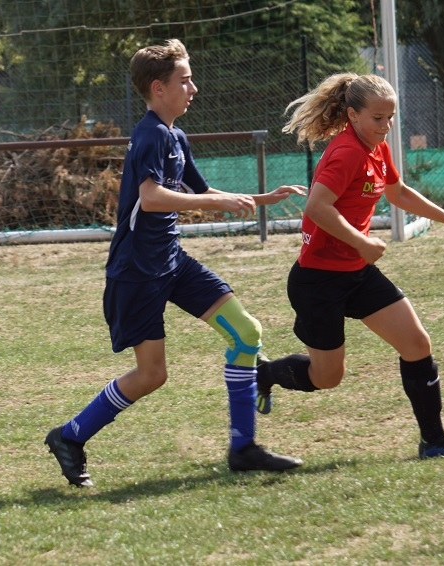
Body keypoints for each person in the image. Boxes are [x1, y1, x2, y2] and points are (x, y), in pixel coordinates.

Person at [44, 39, 305, 487]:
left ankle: (243, 448)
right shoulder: (151, 134)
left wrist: (262, 198)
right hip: (137, 272)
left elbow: (203, 193)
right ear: (158, 88)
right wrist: (218, 206)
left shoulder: (175, 136)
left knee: (246, 332)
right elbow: (150, 198)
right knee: (152, 375)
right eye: (185, 80)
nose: (193, 88)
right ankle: (69, 435)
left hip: (172, 261)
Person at [254, 72, 444, 459]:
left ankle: (435, 442)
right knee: (327, 377)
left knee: (417, 344)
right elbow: (316, 206)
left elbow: (398, 192)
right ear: (353, 115)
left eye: (391, 117)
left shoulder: (377, 148)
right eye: (378, 118)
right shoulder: (347, 152)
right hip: (318, 282)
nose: (386, 125)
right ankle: (263, 374)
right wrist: (361, 241)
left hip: (357, 274)